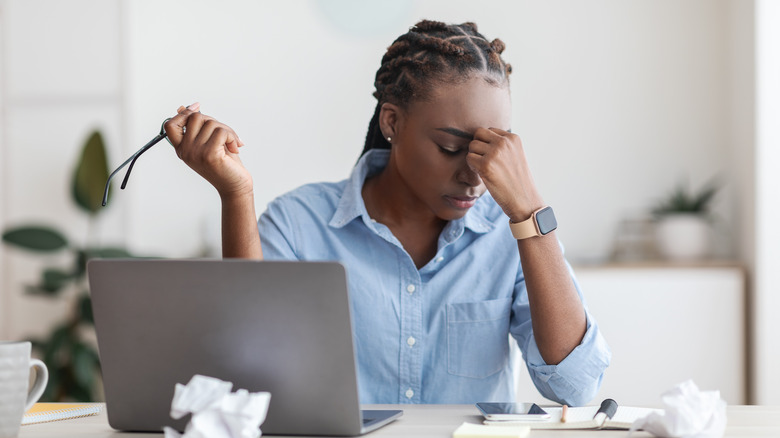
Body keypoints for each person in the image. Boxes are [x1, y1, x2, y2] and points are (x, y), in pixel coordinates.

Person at [164, 20, 610, 405]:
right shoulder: (300, 224)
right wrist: (236, 194)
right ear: (392, 122)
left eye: (491, 152)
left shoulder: (509, 233)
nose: (475, 176)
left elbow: (575, 386)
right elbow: (245, 374)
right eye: (452, 148)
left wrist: (530, 210)